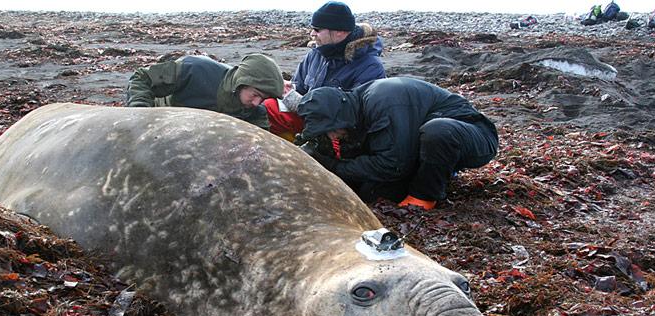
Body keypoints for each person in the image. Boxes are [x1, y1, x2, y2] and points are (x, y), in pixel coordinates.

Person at [295, 77, 499, 211]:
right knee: (371, 193)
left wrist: (334, 167)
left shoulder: (383, 101)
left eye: (331, 130)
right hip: (415, 143)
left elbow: (392, 165)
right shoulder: (354, 108)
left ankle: (424, 197)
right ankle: (430, 174)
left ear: (340, 117)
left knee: (437, 132)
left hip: (473, 135)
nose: (332, 137)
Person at [264, 1, 386, 141]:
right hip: (309, 116)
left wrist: (300, 103)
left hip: (339, 130)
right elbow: (300, 86)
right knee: (266, 106)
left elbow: (357, 117)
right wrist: (290, 89)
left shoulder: (370, 67)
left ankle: (307, 155)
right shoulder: (316, 54)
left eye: (317, 29)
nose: (312, 34)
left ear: (340, 32)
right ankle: (289, 148)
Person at [125, 54, 284, 130]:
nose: (257, 103)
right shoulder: (194, 70)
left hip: (198, 136)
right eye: (255, 94)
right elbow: (142, 77)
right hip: (162, 119)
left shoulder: (256, 113)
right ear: (241, 83)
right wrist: (140, 114)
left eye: (263, 99)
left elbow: (259, 145)